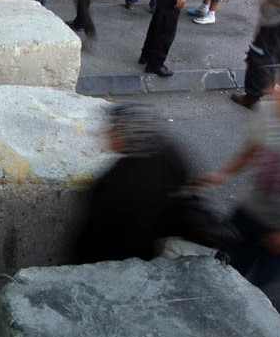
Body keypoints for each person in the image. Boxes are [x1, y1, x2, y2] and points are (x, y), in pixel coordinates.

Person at [197, 56, 280, 289]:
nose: (274, 89)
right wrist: (221, 174)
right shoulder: (266, 110)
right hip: (247, 212)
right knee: (223, 274)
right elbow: (250, 151)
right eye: (279, 83)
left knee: (262, 291)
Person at [73, 103, 192, 264]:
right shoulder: (170, 155)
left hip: (109, 255)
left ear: (129, 136)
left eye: (114, 130)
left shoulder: (119, 181)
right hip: (145, 250)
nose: (107, 133)